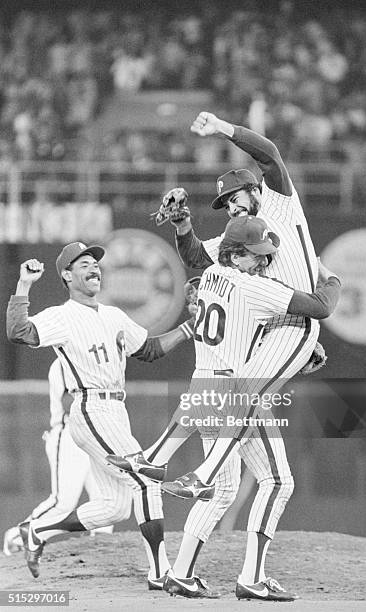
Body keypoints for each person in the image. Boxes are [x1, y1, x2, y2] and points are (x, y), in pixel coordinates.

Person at [108, 216, 341, 601]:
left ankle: (180, 572)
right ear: (234, 254)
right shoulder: (252, 285)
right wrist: (332, 280)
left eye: (267, 257)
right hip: (234, 390)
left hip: (205, 386)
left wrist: (295, 350)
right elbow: (320, 306)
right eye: (256, 256)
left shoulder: (214, 273)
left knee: (225, 489)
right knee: (278, 481)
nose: (264, 263)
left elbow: (245, 319)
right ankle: (252, 577)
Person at [6, 241, 195, 586]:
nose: (94, 268)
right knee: (146, 479)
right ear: (66, 275)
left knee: (116, 506)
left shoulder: (113, 315)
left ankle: (37, 530)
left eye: (95, 263)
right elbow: (19, 332)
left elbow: (149, 349)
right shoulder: (62, 316)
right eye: (83, 264)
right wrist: (24, 286)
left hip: (115, 410)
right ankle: (160, 572)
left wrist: (186, 329)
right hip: (90, 406)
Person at [3, 358, 113, 557]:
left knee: (108, 500)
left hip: (96, 434)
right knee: (63, 503)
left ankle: (100, 554)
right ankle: (18, 537)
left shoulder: (93, 353)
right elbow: (72, 402)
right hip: (70, 434)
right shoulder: (65, 361)